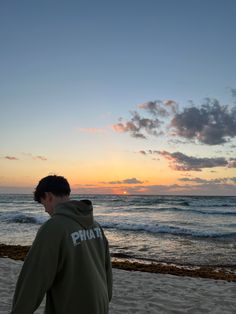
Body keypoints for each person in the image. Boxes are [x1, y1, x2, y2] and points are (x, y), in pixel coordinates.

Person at [11, 175, 112, 314]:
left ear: (48, 196)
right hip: (100, 305)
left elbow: (34, 278)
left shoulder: (54, 227)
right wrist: (106, 297)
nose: (45, 210)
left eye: (43, 204)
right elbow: (107, 267)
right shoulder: (95, 226)